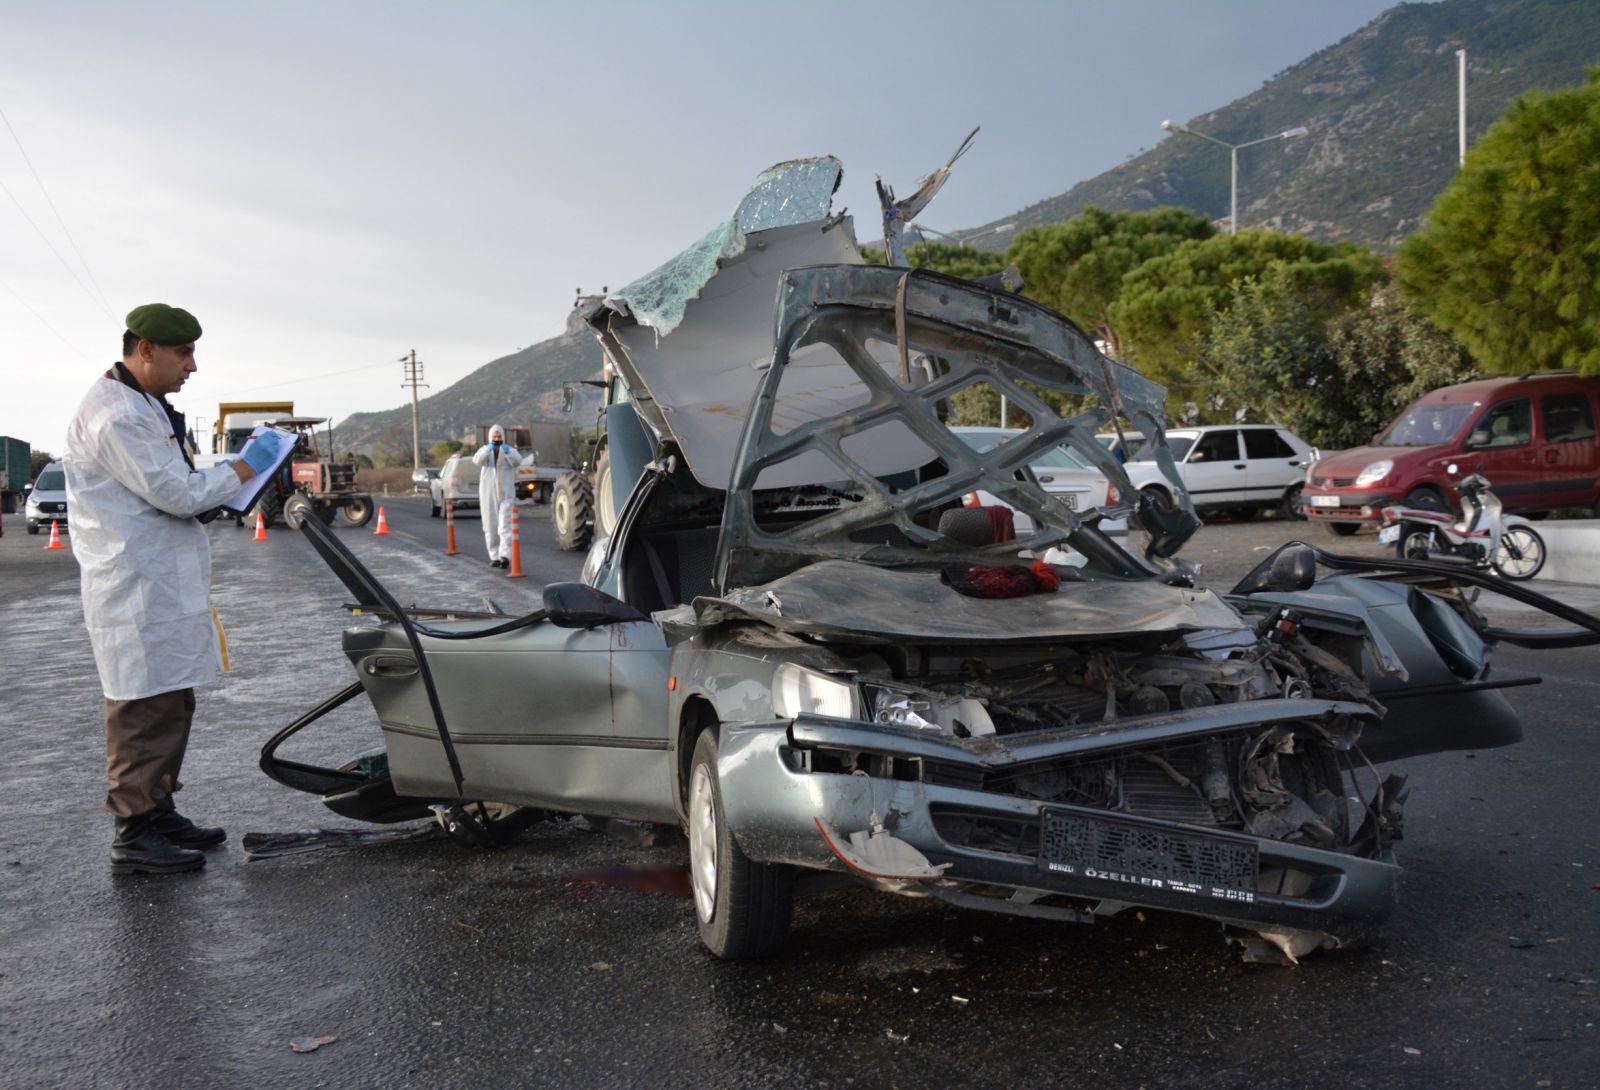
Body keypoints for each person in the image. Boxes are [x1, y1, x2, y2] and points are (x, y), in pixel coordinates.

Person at [63, 304, 281, 875]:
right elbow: (177, 493)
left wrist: (219, 485)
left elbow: (176, 487)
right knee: (141, 706)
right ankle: (134, 833)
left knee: (170, 697)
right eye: (182, 353)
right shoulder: (117, 416)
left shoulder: (144, 404)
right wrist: (241, 468)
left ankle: (158, 809)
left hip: (158, 577)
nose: (192, 365)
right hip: (133, 585)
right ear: (144, 350)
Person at [472, 424, 524, 568]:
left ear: (503, 437)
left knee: (505, 526)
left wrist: (507, 452)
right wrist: (487, 450)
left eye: (499, 436)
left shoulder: (509, 451)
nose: (497, 439)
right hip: (488, 495)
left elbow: (518, 461)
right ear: (490, 437)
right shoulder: (484, 451)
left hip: (506, 495)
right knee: (490, 525)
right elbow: (476, 461)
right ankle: (494, 556)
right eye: (494, 437)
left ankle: (505, 555)